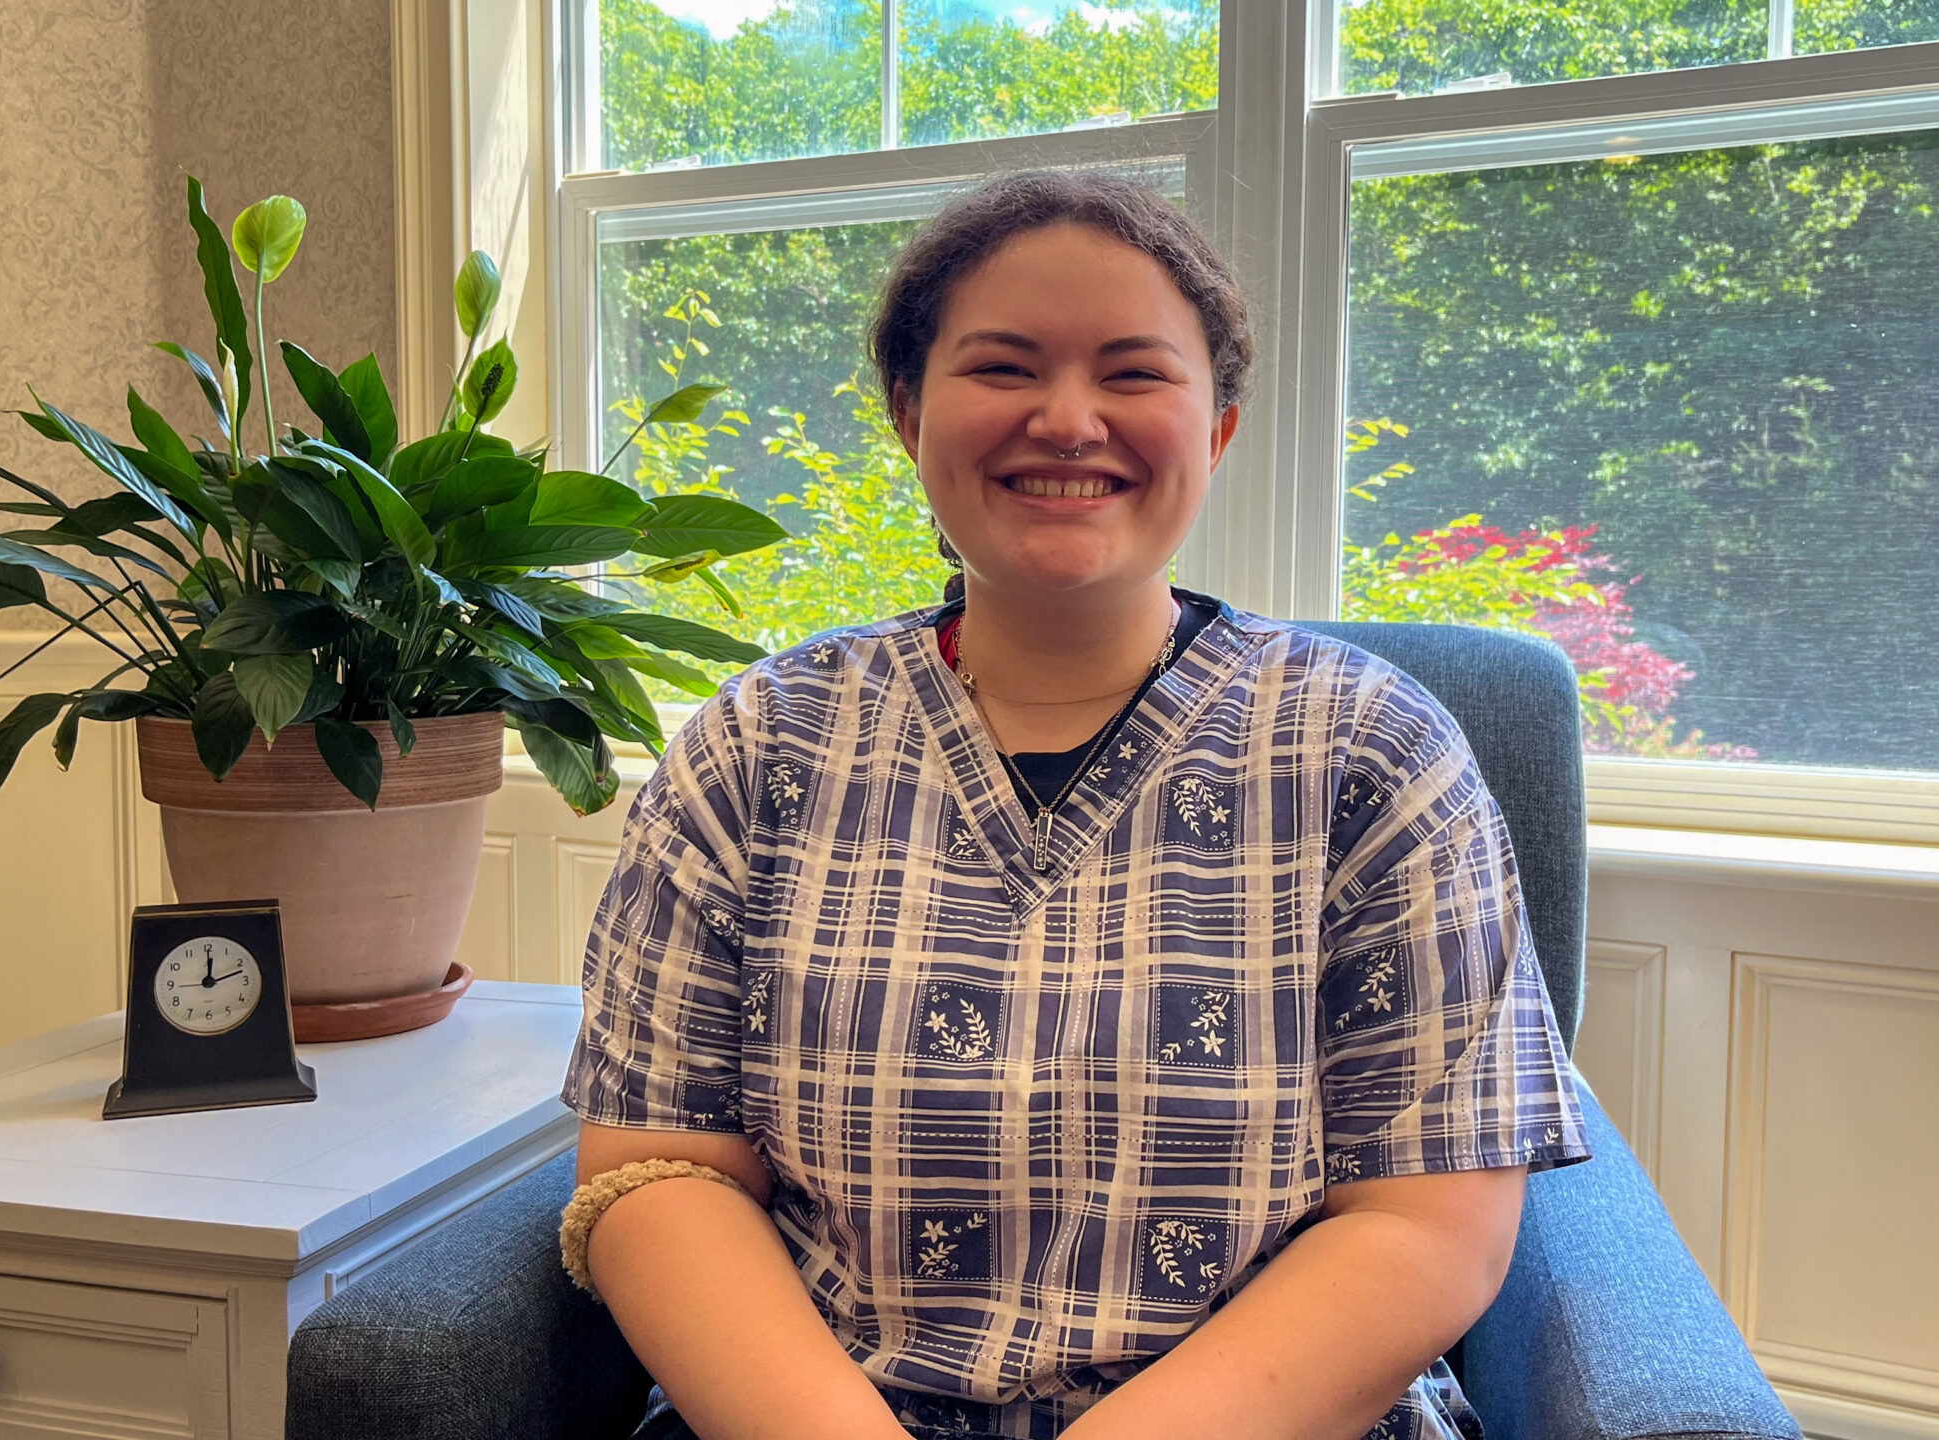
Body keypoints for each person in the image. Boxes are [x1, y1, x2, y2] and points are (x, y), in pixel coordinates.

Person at [560, 170, 1590, 1440]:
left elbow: (1427, 1226)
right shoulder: (755, 746)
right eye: (1001, 367)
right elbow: (658, 1173)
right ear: (906, 413)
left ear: (1214, 427)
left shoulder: (1373, 750)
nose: (1066, 419)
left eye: (1133, 373)